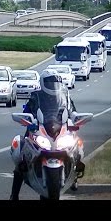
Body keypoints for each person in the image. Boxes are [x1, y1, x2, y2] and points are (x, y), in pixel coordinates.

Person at [9, 69, 78, 200]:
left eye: (54, 81)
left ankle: (75, 176)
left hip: (59, 129)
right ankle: (14, 194)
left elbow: (73, 111)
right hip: (38, 128)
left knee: (77, 145)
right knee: (21, 156)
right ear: (42, 82)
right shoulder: (36, 96)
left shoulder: (65, 97)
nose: (52, 84)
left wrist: (74, 118)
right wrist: (28, 119)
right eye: (49, 81)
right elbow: (27, 110)